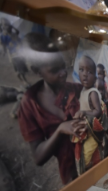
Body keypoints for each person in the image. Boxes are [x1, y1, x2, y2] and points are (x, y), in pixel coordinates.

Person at [18, 33, 85, 184]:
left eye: (63, 66)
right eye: (55, 70)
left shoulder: (78, 90)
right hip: (71, 176)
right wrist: (60, 129)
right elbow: (38, 157)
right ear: (37, 71)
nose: (63, 73)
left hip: (96, 163)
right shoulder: (30, 104)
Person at [71, 55, 106, 175]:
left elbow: (97, 111)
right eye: (82, 70)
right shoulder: (83, 91)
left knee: (85, 155)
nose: (85, 74)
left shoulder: (93, 93)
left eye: (90, 72)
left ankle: (85, 175)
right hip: (86, 129)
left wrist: (84, 113)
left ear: (95, 77)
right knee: (81, 152)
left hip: (93, 133)